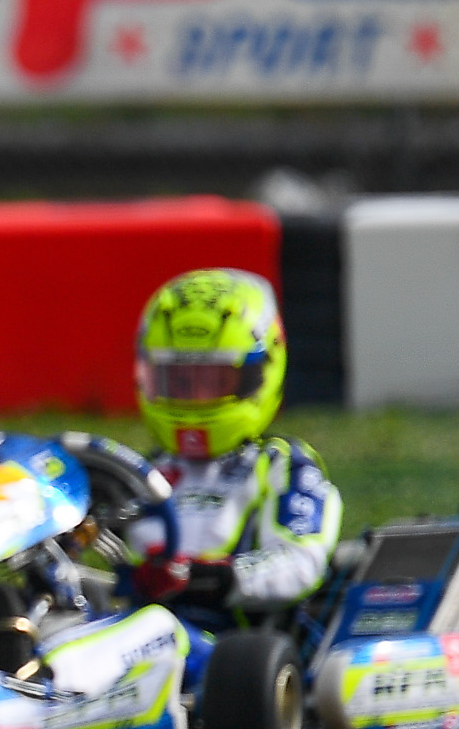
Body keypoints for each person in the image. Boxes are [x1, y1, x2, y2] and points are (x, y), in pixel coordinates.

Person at [123, 268, 342, 682]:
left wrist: (213, 577)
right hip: (134, 634)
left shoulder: (281, 465)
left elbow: (300, 561)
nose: (194, 397)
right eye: (179, 381)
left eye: (212, 381)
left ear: (259, 374)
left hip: (230, 651)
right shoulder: (136, 474)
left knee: (156, 633)